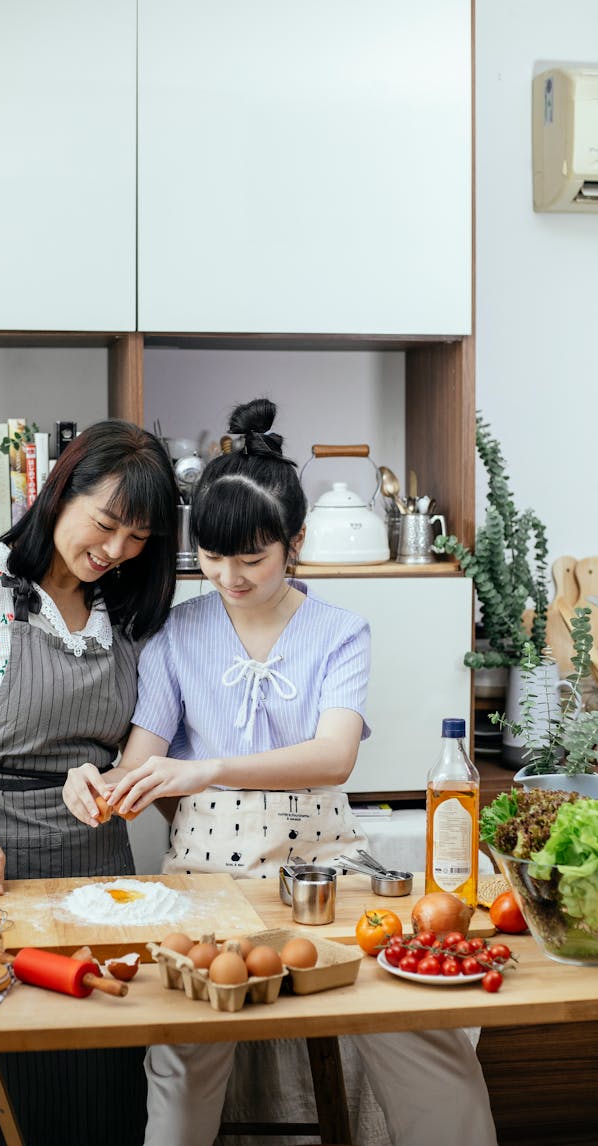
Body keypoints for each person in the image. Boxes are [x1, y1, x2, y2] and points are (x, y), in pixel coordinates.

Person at [63, 398, 498, 1146]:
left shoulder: (338, 631)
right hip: (202, 884)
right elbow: (140, 769)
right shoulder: (175, 634)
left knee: (414, 1028)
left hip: (324, 877)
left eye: (252, 558)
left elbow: (334, 755)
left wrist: (207, 770)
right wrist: (97, 784)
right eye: (214, 557)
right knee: (184, 1055)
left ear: (294, 543)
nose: (229, 576)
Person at [0, 419, 178, 1146]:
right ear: (63, 489)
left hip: (98, 872)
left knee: (101, 1071)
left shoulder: (129, 609)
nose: (115, 551)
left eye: (137, 538)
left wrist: (120, 785)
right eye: (107, 523)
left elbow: (134, 748)